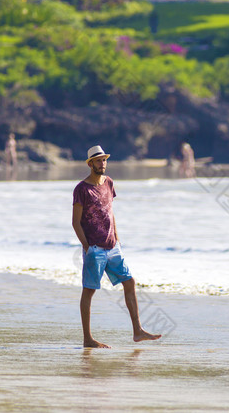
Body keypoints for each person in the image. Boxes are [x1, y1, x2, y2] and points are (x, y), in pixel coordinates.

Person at [72, 145, 162, 348]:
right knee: (89, 291)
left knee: (129, 282)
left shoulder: (109, 182)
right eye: (98, 161)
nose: (102, 164)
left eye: (104, 160)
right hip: (94, 248)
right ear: (90, 163)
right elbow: (75, 222)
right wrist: (87, 247)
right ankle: (88, 339)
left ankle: (138, 331)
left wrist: (117, 240)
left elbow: (110, 212)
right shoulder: (82, 189)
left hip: (113, 247)